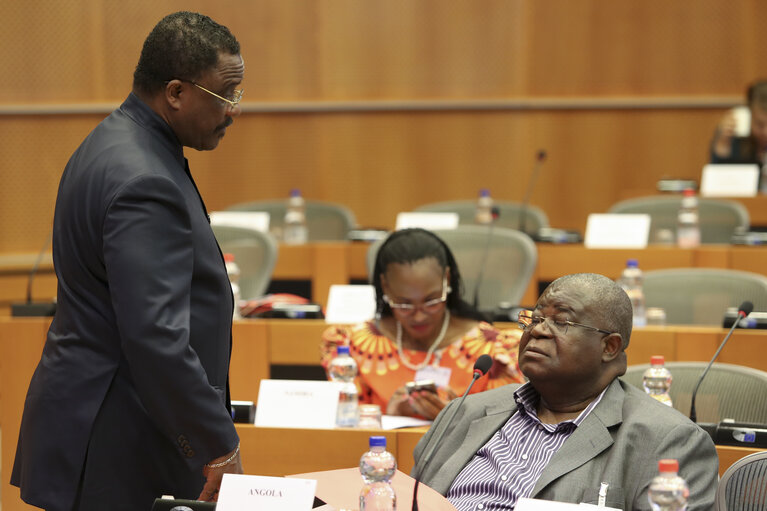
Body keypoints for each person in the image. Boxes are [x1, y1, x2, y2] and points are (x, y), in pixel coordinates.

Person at [12, 12, 246, 511]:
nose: (234, 113)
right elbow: (155, 334)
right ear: (177, 92)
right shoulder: (146, 179)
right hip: (119, 440)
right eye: (226, 97)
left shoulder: (108, 144)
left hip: (92, 424)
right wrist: (216, 443)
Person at [412, 273, 718, 510]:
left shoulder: (668, 441)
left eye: (561, 322)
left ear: (609, 347)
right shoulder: (465, 411)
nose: (538, 330)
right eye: (534, 320)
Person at [320, 228, 524, 420]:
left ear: (447, 280)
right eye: (404, 304)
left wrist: (458, 419)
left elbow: (509, 436)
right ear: (385, 287)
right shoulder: (353, 347)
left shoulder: (495, 353)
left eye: (431, 301)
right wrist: (391, 417)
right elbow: (347, 430)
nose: (418, 316)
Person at [710, 79, 767, 167]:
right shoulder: (734, 138)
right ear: (748, 115)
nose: (765, 132)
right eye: (760, 124)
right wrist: (723, 144)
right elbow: (719, 175)